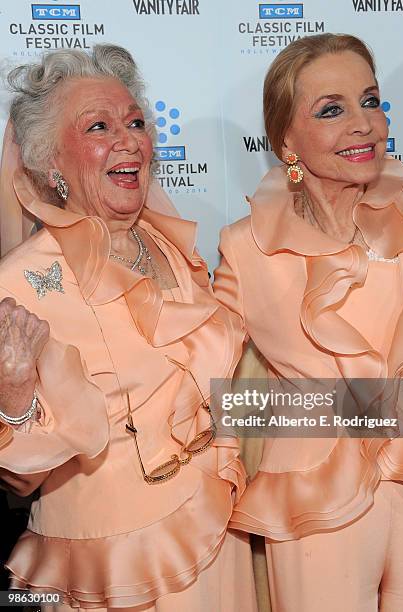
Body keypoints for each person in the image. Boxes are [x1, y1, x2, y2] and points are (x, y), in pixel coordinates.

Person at [0, 44, 257, 612]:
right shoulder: (19, 284)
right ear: (49, 162)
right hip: (112, 568)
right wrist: (13, 395)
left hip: (217, 535)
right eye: (98, 126)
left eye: (136, 122)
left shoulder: (171, 245)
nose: (127, 139)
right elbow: (20, 481)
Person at [213, 33, 403, 611]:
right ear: (286, 143)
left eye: (370, 101)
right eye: (333, 109)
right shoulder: (246, 249)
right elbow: (212, 380)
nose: (364, 123)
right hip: (311, 493)